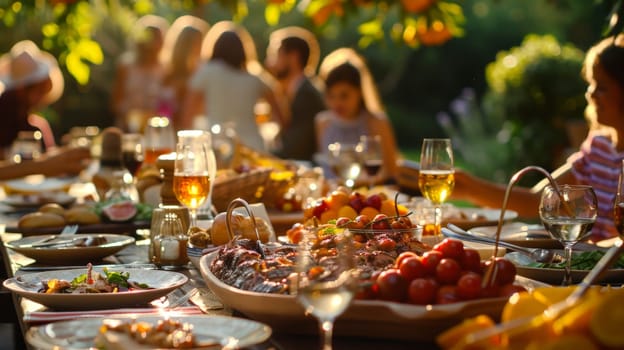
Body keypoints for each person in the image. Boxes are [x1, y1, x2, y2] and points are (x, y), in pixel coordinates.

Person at [424, 34, 624, 241]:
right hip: (592, 266)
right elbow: (535, 199)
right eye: (591, 84)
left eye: (602, 86)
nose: (590, 94)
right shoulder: (598, 147)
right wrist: (469, 186)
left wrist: (598, 252)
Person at [180, 21, 284, 151]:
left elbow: (188, 112)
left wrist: (186, 147)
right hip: (252, 146)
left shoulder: (207, 72)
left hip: (218, 146)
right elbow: (279, 113)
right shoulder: (254, 79)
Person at [315, 48, 399, 182]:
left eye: (344, 95)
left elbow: (391, 173)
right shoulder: (322, 122)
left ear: (359, 93)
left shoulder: (377, 122)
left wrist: (360, 182)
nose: (337, 103)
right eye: (331, 96)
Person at [266, 27, 325, 161]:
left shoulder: (306, 95)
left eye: (276, 55)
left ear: (293, 57)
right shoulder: (299, 90)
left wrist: (265, 155)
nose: (270, 63)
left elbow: (296, 148)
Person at [0, 40, 63, 158]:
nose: (42, 97)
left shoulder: (36, 123)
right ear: (22, 89)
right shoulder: (7, 115)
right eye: (39, 90)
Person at [111, 15, 168, 132]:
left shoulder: (166, 69)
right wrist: (128, 119)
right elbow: (115, 102)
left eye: (157, 38)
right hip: (127, 128)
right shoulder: (126, 66)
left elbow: (168, 102)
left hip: (156, 129)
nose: (153, 43)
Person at [159, 15, 209, 129]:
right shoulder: (167, 72)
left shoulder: (203, 71)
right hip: (169, 129)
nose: (200, 48)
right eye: (196, 43)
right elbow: (162, 107)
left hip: (195, 131)